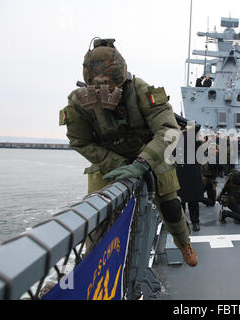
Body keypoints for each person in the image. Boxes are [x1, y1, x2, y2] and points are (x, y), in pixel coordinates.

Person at [59, 38, 197, 267]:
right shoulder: (78, 102)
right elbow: (79, 141)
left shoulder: (141, 90)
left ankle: (184, 243)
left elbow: (168, 129)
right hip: (109, 161)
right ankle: (93, 263)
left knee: (171, 205)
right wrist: (119, 163)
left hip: (150, 152)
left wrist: (144, 161)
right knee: (98, 212)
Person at [175, 122, 204, 232]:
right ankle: (191, 222)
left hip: (186, 172)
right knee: (189, 200)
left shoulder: (180, 138)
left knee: (187, 200)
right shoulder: (194, 139)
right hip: (187, 173)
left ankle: (189, 222)